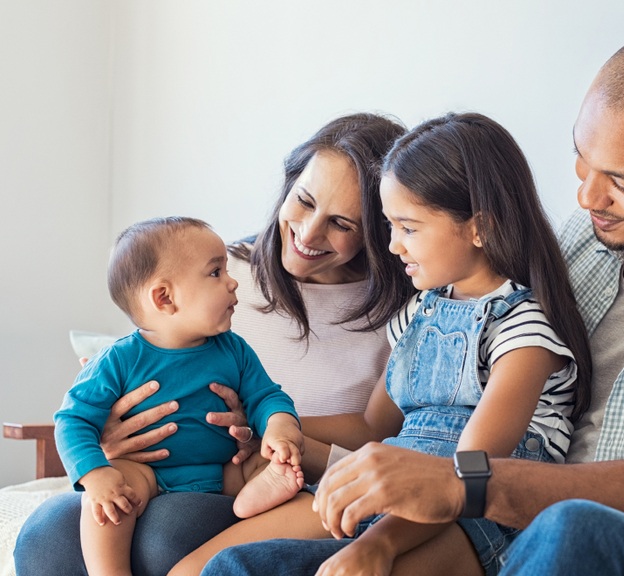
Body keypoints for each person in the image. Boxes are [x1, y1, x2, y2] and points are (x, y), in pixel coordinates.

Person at [200, 27, 624, 576]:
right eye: (582, 160)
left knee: (571, 530)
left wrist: (467, 485)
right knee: (239, 569)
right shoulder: (584, 242)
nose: (588, 197)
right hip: (505, 525)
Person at [168, 111, 592, 576]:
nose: (391, 246)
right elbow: (373, 425)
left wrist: (379, 546)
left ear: (480, 228)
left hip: (470, 517)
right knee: (201, 569)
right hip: (388, 486)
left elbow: (470, 475)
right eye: (390, 226)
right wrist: (269, 421)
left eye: (408, 228)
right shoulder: (419, 313)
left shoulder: (523, 332)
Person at [15, 113, 414, 576]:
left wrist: (271, 430)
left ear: (379, 229)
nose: (307, 234)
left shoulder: (403, 315)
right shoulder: (211, 273)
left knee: (166, 533)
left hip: (260, 475)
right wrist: (106, 440)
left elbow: (382, 433)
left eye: (342, 223)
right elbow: (101, 396)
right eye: (303, 201)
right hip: (151, 467)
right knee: (47, 533)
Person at [54, 216, 305, 574]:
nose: (233, 282)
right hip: (149, 473)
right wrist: (95, 476)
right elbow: (72, 420)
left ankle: (255, 496)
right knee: (110, 501)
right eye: (216, 272)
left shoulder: (234, 350)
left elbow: (266, 396)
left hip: (224, 470)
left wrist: (280, 428)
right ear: (165, 297)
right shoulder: (119, 359)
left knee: (268, 462)